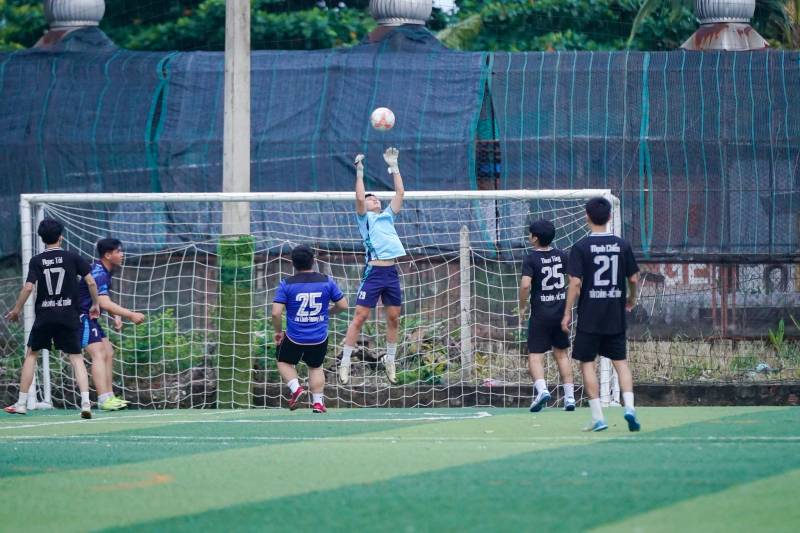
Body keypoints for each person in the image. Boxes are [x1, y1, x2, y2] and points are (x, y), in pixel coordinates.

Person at [4, 219, 100, 418]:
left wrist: (16, 310)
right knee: (76, 358)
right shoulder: (73, 257)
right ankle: (85, 403)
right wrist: (95, 304)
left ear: (41, 238)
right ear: (61, 237)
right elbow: (91, 282)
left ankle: (21, 403)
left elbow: (28, 287)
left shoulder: (36, 260)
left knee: (32, 355)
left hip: (45, 316)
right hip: (69, 315)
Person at [561, 197, 641, 432]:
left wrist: (566, 313)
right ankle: (630, 408)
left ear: (586, 216)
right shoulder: (622, 245)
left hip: (589, 315)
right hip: (615, 314)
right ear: (609, 217)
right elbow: (633, 278)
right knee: (621, 363)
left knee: (587, 364)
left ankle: (598, 417)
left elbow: (575, 283)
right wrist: (632, 298)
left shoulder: (580, 247)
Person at [338, 148, 405, 385]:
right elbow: (359, 198)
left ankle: (390, 360)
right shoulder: (364, 219)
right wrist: (359, 172)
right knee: (361, 316)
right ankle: (345, 361)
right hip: (374, 273)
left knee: (394, 318)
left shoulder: (387, 216)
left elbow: (400, 192)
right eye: (370, 198)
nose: (373, 199)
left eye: (376, 197)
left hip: (391, 273)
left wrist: (394, 166)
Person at [272, 245, 348, 413]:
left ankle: (296, 389)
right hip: (319, 337)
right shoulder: (326, 281)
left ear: (293, 263)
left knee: (283, 361)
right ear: (313, 261)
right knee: (315, 367)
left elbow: (276, 313)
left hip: (295, 336)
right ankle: (318, 403)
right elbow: (343, 305)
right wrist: (328, 312)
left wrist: (278, 332)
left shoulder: (286, 284)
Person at [78, 238, 145, 411]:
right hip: (80, 317)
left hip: (89, 317)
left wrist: (115, 315)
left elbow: (102, 300)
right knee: (99, 353)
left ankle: (109, 397)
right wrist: (131, 315)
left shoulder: (105, 271)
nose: (122, 255)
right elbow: (104, 303)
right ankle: (103, 399)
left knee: (108, 351)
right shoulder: (99, 272)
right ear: (108, 255)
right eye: (118, 251)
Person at [518, 219, 576, 413]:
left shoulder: (530, 258)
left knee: (535, 355)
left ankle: (542, 390)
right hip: (560, 313)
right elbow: (573, 280)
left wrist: (522, 306)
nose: (528, 236)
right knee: (562, 355)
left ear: (534, 238)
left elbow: (525, 285)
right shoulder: (562, 255)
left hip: (540, 315)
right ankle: (570, 397)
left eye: (530, 233)